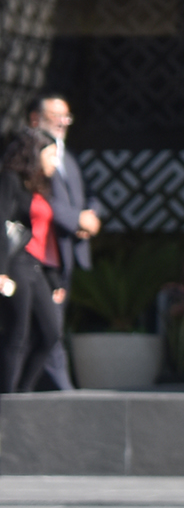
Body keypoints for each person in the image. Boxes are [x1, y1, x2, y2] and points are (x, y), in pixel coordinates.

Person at [28, 95, 96, 391]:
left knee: (51, 324)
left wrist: (90, 216)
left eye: (66, 116)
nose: (63, 122)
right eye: (55, 116)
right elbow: (38, 198)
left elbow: (88, 193)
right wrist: (75, 219)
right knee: (47, 326)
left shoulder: (67, 156)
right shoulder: (30, 155)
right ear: (35, 118)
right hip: (40, 253)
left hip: (66, 253)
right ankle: (58, 388)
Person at [0, 127, 70, 394]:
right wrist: (1, 270)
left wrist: (54, 279)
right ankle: (7, 399)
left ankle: (23, 393)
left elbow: (45, 237)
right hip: (15, 264)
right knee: (18, 333)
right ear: (34, 154)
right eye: (50, 155)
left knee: (51, 333)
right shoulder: (10, 179)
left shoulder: (39, 185)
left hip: (36, 266)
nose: (55, 162)